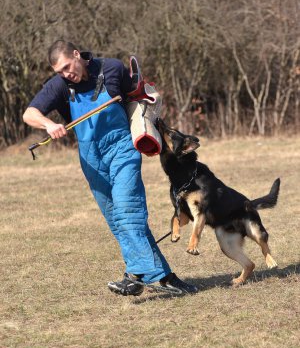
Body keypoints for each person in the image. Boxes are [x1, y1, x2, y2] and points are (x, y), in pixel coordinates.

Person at [23, 40, 199, 296]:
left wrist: (150, 120)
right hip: (91, 158)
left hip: (121, 149)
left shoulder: (112, 69)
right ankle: (164, 277)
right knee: (118, 220)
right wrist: (48, 125)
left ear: (76, 55)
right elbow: (30, 113)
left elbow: (139, 100)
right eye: (59, 71)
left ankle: (135, 276)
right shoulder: (59, 86)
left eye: (66, 67)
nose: (65, 74)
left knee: (129, 210)